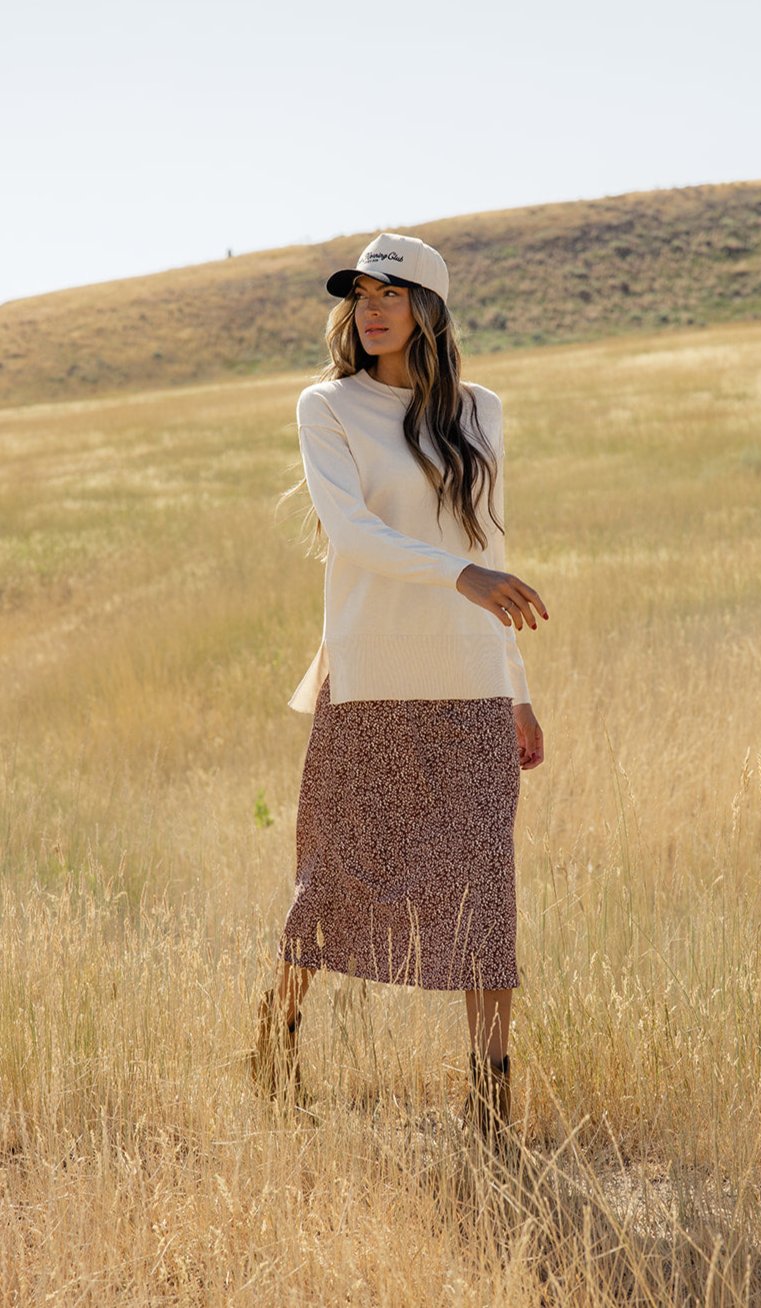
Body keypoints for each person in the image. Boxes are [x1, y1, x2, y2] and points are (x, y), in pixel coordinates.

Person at [250, 232, 547, 1145]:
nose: (370, 308)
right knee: (335, 879)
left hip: (468, 679)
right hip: (371, 674)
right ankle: (272, 1045)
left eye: (392, 292)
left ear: (430, 309)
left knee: (483, 889)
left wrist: (517, 684)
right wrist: (462, 579)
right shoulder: (327, 405)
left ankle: (491, 1103)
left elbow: (488, 547)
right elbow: (350, 531)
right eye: (359, 295)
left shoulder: (482, 410)